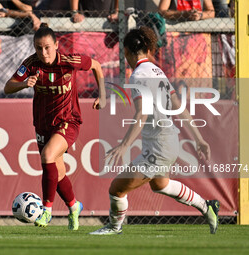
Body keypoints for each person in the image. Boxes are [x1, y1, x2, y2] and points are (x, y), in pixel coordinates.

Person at [89, 27, 220, 235]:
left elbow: (142, 114)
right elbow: (178, 105)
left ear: (125, 52)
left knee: (116, 189)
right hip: (168, 141)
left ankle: (114, 228)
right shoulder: (158, 71)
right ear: (148, 48)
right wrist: (199, 139)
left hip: (158, 147)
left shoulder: (139, 76)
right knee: (160, 185)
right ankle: (207, 206)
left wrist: (124, 146)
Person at [4, 23, 106, 230]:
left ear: (57, 45)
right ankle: (74, 206)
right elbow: (8, 87)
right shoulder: (31, 64)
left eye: (48, 47)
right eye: (39, 48)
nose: (44, 52)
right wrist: (24, 84)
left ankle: (46, 210)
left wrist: (102, 95)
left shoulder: (70, 61)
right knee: (56, 172)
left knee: (48, 156)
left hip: (69, 120)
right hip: (43, 125)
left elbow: (96, 65)